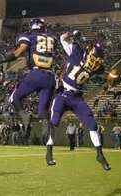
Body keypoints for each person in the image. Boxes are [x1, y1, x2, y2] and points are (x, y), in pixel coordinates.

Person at [46, 31, 111, 171]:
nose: (95, 60)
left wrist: (113, 78)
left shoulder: (97, 67)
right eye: (94, 55)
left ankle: (100, 155)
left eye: (97, 58)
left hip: (77, 98)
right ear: (89, 50)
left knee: (92, 124)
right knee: (54, 121)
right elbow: (62, 38)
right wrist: (70, 34)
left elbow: (106, 74)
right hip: (63, 94)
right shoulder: (76, 50)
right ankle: (49, 152)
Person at [2, 18, 56, 136]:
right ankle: (47, 133)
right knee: (42, 111)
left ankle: (24, 116)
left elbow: (22, 49)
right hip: (50, 77)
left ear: (32, 26)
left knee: (14, 98)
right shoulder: (51, 37)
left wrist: (10, 56)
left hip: (36, 74)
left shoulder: (29, 36)